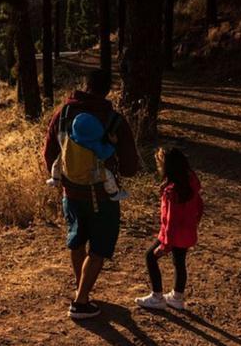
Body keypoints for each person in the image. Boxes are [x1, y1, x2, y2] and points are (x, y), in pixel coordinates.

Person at [43, 68, 140, 320]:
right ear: (108, 90)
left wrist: (64, 177)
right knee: (99, 247)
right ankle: (81, 301)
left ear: (84, 85)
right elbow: (130, 168)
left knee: (77, 240)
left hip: (70, 193)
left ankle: (81, 288)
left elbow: (48, 152)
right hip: (102, 197)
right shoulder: (114, 120)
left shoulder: (62, 114)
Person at [134, 147, 203, 311]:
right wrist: (194, 223)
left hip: (171, 235)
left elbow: (171, 221)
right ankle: (177, 297)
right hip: (187, 233)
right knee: (179, 263)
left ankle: (157, 296)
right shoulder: (191, 182)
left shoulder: (172, 192)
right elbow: (200, 206)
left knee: (150, 257)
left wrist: (165, 246)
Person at [45, 111, 128, 201]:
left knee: (58, 161)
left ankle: (55, 179)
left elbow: (49, 152)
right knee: (108, 175)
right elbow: (105, 154)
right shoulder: (93, 144)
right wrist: (112, 144)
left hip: (68, 173)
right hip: (87, 175)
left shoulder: (70, 138)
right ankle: (114, 194)